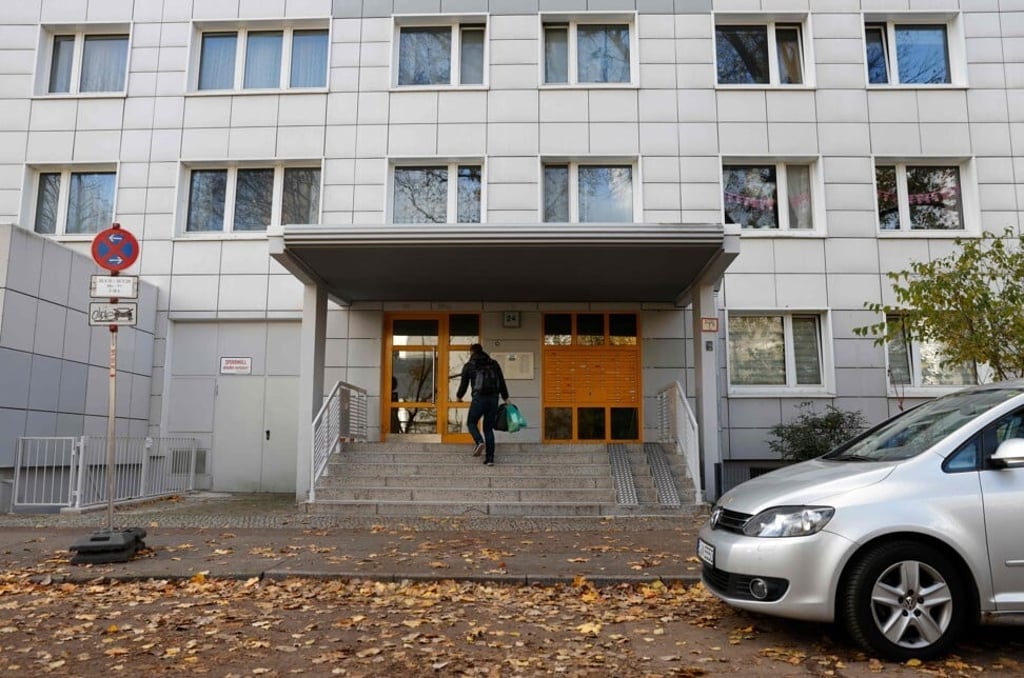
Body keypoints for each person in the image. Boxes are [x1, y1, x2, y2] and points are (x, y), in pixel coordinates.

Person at [456, 343, 509, 466]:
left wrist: (459, 396)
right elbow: (501, 381)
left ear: (471, 352)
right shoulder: (493, 364)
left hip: (479, 399)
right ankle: (490, 459)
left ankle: (479, 441)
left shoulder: (469, 366)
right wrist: (506, 398)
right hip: (493, 400)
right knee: (488, 429)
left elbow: (463, 385)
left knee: (471, 422)